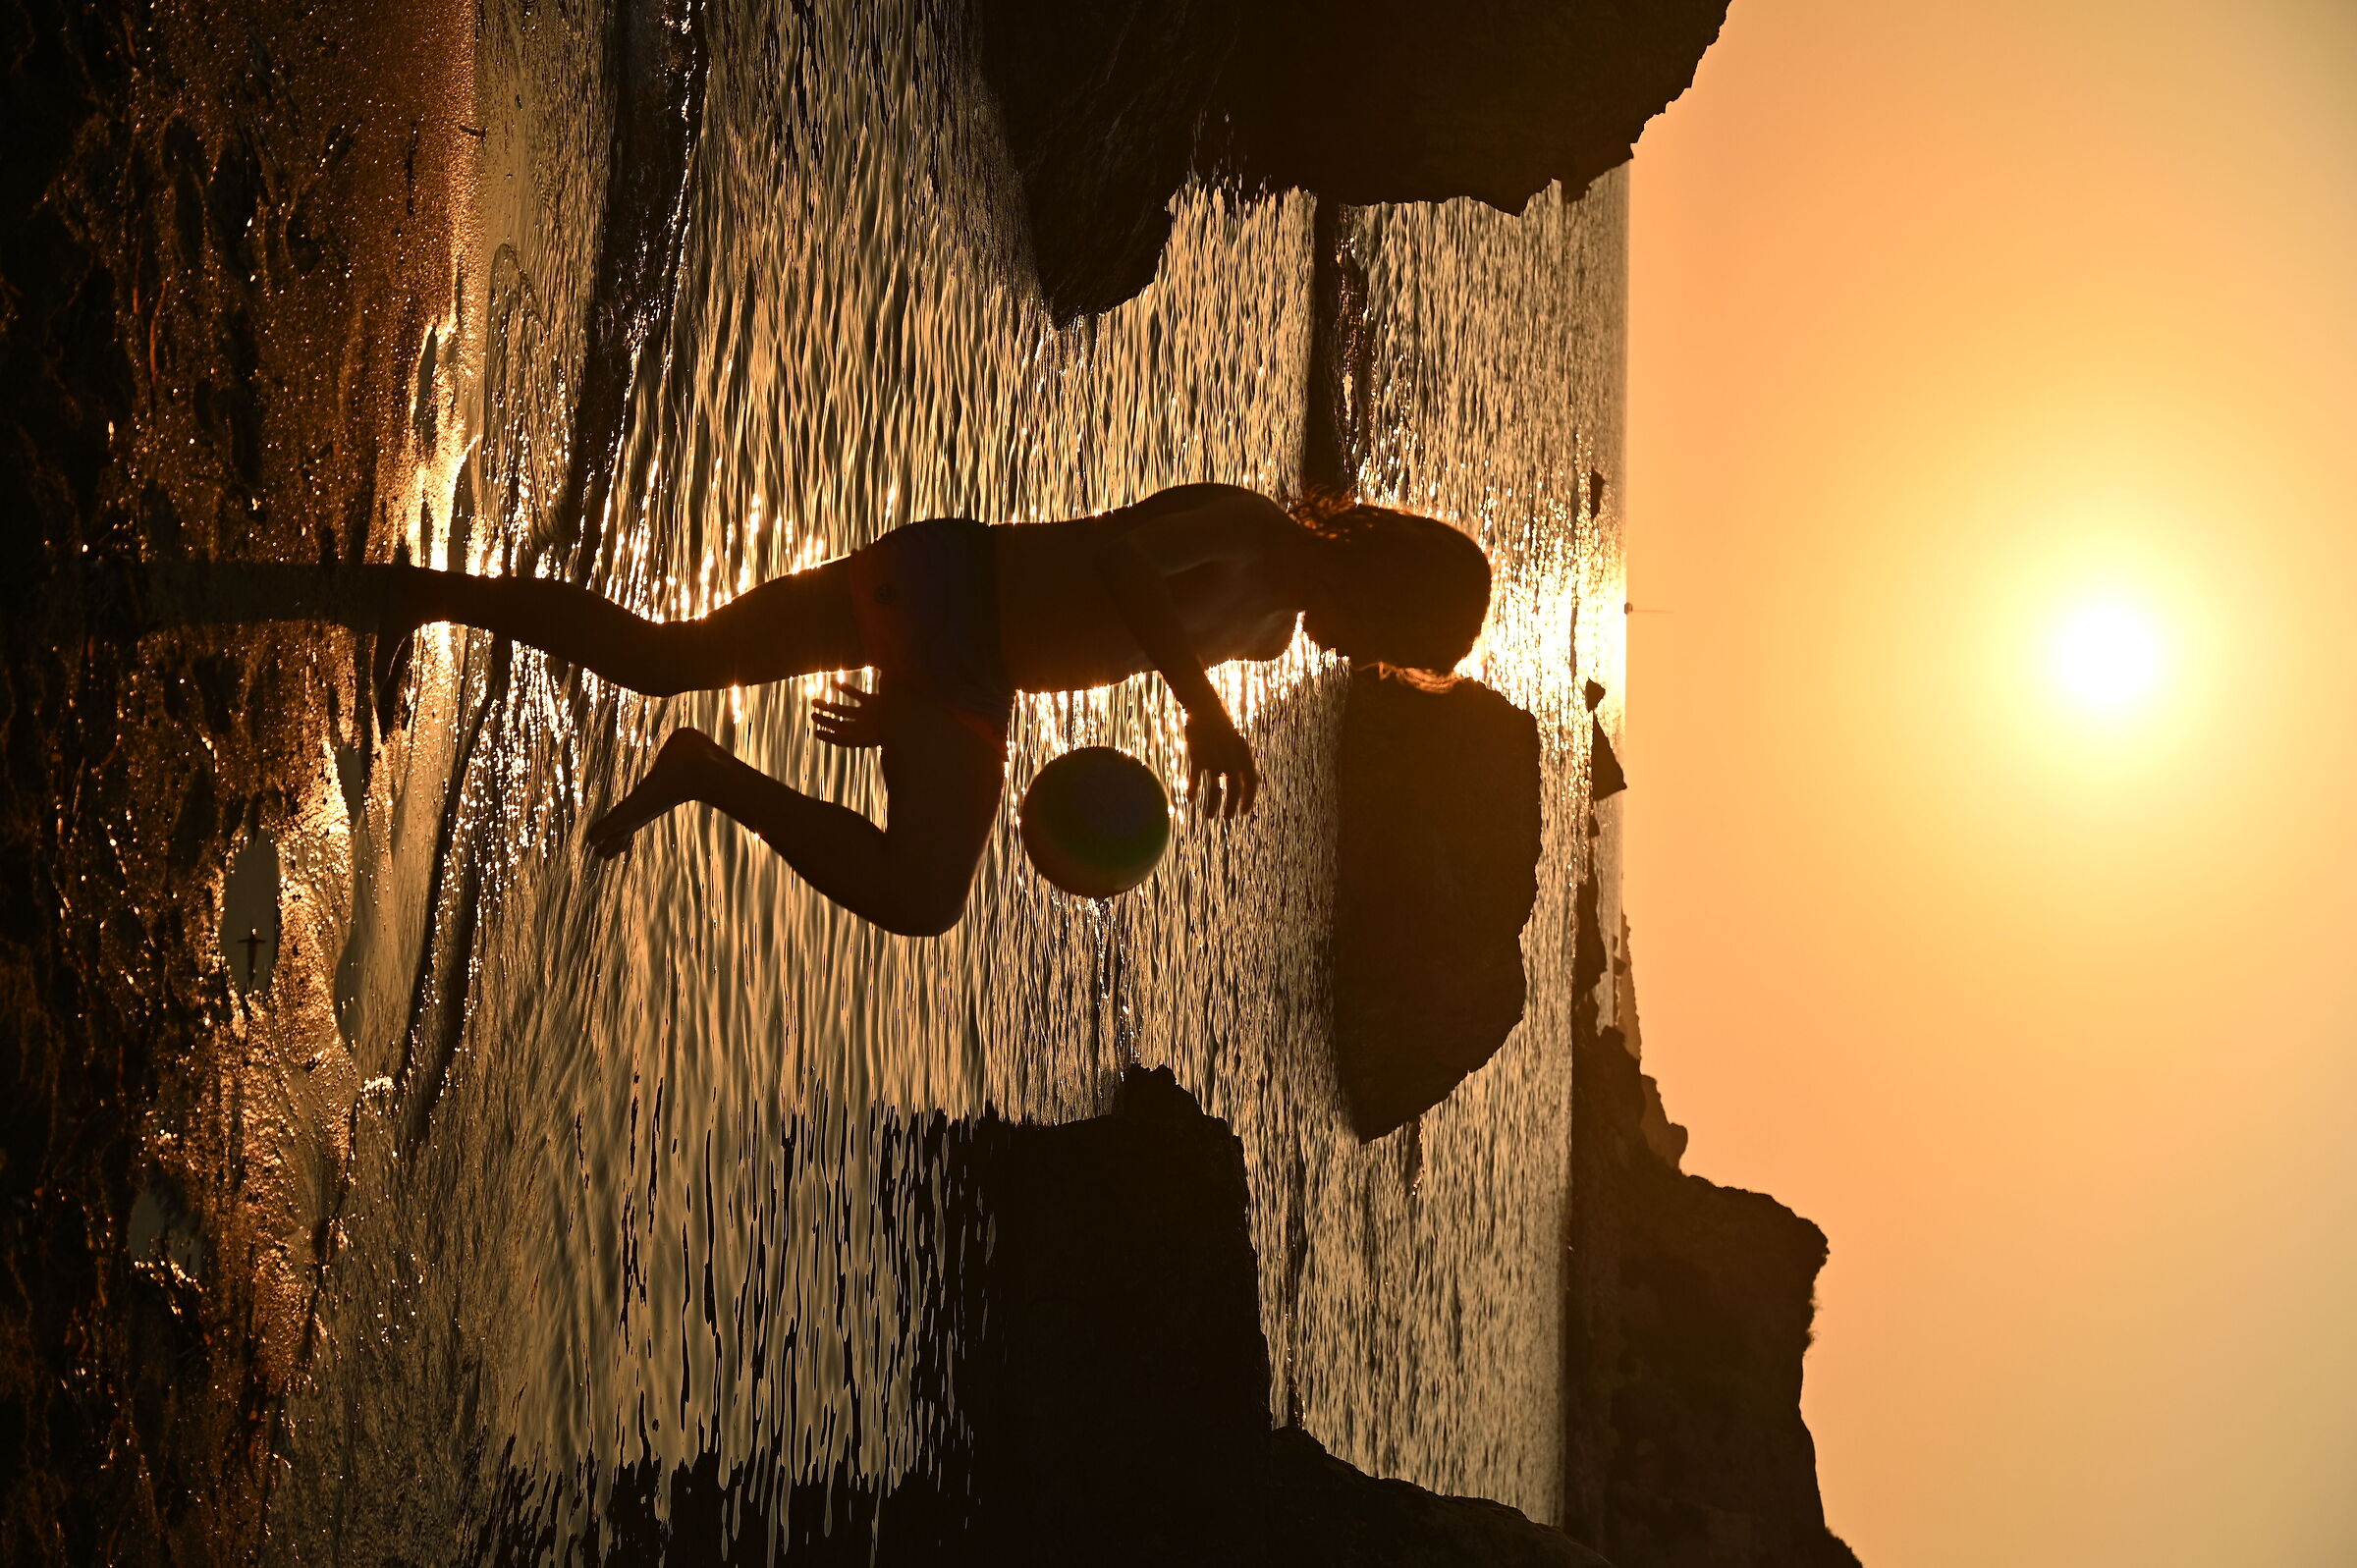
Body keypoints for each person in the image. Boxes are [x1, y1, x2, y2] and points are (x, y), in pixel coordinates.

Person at [324, 484, 1488, 935]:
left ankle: (703, 774)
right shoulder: (1250, 534)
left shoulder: (1273, 633)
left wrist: (923, 710)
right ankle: (427, 594)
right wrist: (1202, 710)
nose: (1364, 657)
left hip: (968, 679)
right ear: (1383, 583)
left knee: (926, 895)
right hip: (947, 584)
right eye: (1387, 639)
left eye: (1390, 662)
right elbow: (1124, 568)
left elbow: (1089, 644)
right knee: (665, 657)